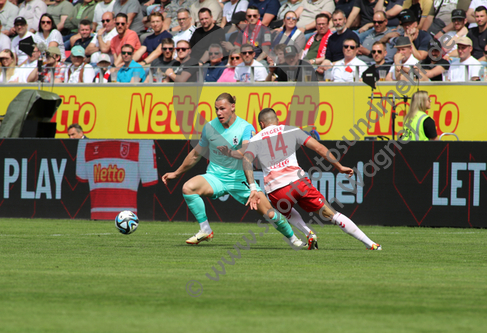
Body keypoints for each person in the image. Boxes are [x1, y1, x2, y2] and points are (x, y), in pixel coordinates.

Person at [161, 93, 305, 247]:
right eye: (216, 109)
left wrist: (229, 152)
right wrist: (176, 173)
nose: (218, 113)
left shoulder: (245, 127)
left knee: (270, 213)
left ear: (232, 107)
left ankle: (293, 239)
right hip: (215, 177)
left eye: (222, 108)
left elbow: (245, 152)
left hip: (239, 180)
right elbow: (196, 154)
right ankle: (205, 230)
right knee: (188, 187)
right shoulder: (209, 128)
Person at [242, 108, 382, 250]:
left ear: (262, 124)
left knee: (285, 211)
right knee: (333, 214)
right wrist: (339, 167)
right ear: (277, 120)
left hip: (277, 189)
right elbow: (319, 148)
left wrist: (253, 187)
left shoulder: (255, 139)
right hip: (299, 183)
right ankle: (370, 243)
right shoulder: (291, 130)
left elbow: (246, 161)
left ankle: (308, 233)